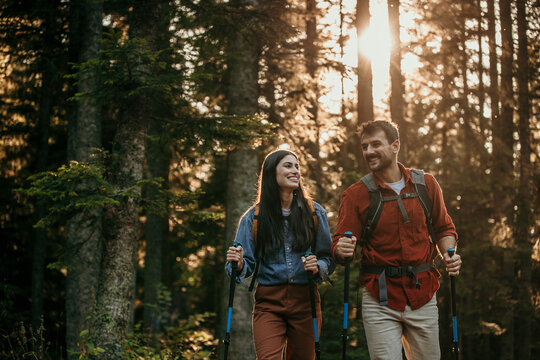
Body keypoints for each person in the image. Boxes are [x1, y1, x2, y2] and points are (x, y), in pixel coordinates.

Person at [332, 120, 462, 360]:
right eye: (364, 146)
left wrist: (449, 254)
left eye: (376, 144)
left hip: (423, 293)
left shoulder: (426, 184)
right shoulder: (355, 195)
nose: (369, 151)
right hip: (379, 298)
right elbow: (341, 245)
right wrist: (341, 248)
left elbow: (444, 228)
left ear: (395, 146)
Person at [225, 149, 335, 360]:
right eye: (288, 165)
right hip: (269, 304)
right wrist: (237, 263)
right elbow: (244, 264)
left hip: (306, 302)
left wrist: (318, 266)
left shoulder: (315, 212)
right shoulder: (253, 218)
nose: (295, 171)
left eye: (297, 166)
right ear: (270, 172)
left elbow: (328, 257)